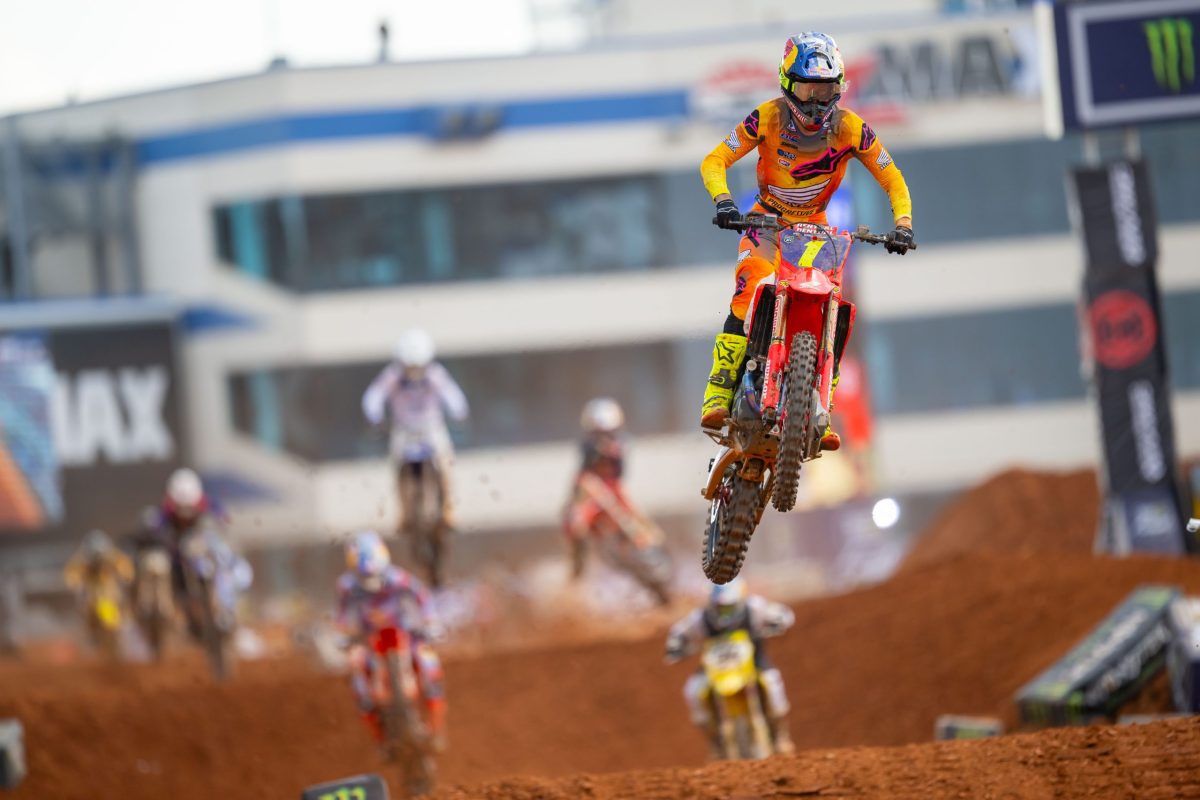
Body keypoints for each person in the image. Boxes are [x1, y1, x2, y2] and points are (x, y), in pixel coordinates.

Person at [699, 31, 914, 450]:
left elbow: (892, 177)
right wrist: (724, 201)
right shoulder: (766, 117)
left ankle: (821, 407)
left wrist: (902, 224)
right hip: (766, 222)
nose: (816, 103)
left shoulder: (851, 128)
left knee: (832, 304)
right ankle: (718, 393)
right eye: (807, 90)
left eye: (825, 91)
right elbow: (715, 159)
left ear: (839, 89)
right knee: (750, 289)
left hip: (815, 228)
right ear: (787, 84)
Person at [337, 530, 447, 750]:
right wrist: (343, 635)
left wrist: (430, 622)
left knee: (429, 665)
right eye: (365, 579)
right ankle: (379, 739)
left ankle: (435, 730)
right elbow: (341, 615)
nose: (373, 585)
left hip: (404, 635)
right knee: (357, 676)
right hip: (369, 640)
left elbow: (422, 597)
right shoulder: (347, 586)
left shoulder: (399, 579)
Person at [665, 577, 795, 757]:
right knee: (693, 691)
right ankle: (715, 741)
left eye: (729, 607)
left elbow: (782, 614)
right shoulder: (701, 617)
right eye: (720, 607)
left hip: (753, 661)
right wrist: (676, 644)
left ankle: (780, 734)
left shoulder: (753, 608)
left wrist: (779, 620)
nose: (725, 613)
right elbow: (680, 631)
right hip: (714, 667)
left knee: (772, 684)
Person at [362, 329, 469, 534]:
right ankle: (404, 514)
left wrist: (459, 411)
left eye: (418, 366)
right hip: (404, 429)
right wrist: (374, 416)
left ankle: (448, 510)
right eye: (410, 367)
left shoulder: (435, 374)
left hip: (431, 426)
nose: (414, 372)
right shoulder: (392, 375)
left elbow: (451, 393)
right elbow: (374, 396)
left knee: (445, 461)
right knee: (397, 465)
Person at [563, 397, 628, 577]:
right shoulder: (588, 446)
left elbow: (620, 473)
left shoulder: (620, 445)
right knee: (576, 524)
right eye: (600, 433)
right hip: (590, 491)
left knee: (634, 520)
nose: (606, 437)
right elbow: (583, 476)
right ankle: (578, 564)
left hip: (612, 491)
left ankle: (640, 548)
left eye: (610, 433)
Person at [62, 529, 133, 653]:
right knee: (84, 608)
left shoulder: (112, 556)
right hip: (92, 590)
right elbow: (72, 572)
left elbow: (124, 566)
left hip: (109, 590)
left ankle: (120, 632)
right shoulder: (82, 559)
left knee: (119, 609)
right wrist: (74, 582)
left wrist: (125, 575)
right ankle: (92, 633)